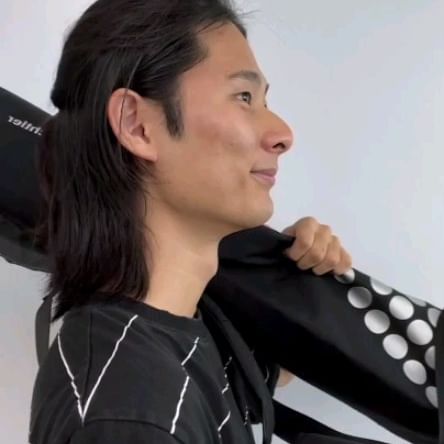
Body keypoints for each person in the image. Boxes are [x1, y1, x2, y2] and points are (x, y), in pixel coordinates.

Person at [28, 1, 354, 443]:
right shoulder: (130, 415)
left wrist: (295, 283)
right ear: (137, 125)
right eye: (243, 97)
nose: (283, 134)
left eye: (264, 100)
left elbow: (272, 371)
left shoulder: (188, 328)